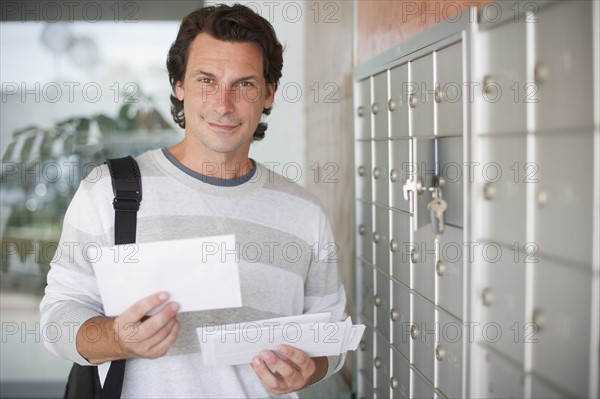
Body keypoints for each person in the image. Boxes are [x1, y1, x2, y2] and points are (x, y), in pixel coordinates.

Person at [40, 3, 347, 398]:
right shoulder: (109, 192)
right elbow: (57, 319)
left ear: (269, 94)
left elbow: (330, 335)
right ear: (178, 85)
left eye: (245, 84)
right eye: (206, 80)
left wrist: (310, 368)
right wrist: (118, 339)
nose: (223, 103)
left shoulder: (305, 213)